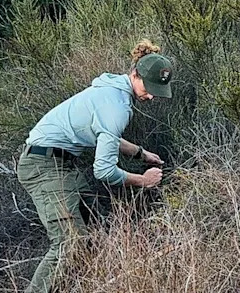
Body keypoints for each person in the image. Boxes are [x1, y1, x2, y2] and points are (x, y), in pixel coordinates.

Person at [16, 40, 174, 293]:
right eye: (150, 87)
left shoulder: (110, 92)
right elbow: (104, 171)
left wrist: (141, 154)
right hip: (44, 166)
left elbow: (105, 134)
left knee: (94, 226)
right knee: (69, 244)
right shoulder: (116, 106)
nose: (152, 95)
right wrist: (142, 180)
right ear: (135, 74)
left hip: (59, 164)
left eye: (158, 90)